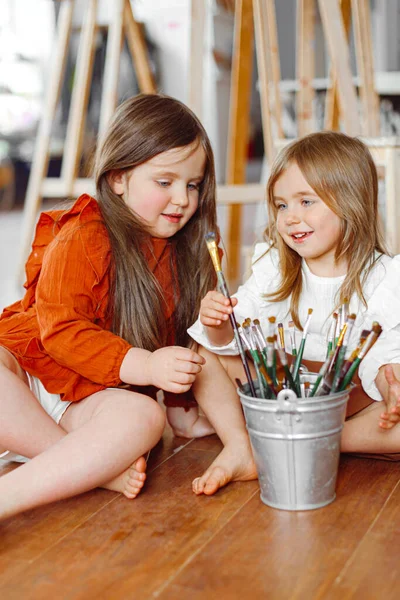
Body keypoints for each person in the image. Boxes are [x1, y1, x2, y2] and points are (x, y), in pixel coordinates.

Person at [0, 93, 230, 521]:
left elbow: (176, 343)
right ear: (119, 178)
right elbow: (61, 329)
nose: (182, 198)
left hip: (86, 402)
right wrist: (145, 366)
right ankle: (80, 465)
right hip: (28, 374)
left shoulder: (185, 256)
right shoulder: (84, 233)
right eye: (165, 182)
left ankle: (26, 486)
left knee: (143, 419)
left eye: (193, 185)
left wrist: (183, 410)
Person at [189, 131, 400, 495]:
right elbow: (233, 340)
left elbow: (383, 357)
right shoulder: (274, 266)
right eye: (282, 205)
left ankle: (306, 439)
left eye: (306, 201)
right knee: (201, 356)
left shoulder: (385, 278)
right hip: (281, 390)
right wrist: (220, 324)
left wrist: (391, 387)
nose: (290, 218)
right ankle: (241, 445)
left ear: (352, 202)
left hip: (346, 404)